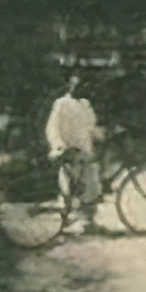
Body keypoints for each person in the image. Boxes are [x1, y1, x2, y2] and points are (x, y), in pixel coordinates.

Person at [45, 75, 106, 234]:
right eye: (76, 85)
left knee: (90, 185)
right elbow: (53, 127)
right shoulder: (61, 104)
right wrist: (60, 146)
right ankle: (63, 222)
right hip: (68, 151)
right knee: (68, 188)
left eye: (82, 86)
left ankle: (89, 222)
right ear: (70, 86)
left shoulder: (85, 105)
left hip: (84, 151)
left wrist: (101, 134)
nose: (79, 89)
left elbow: (91, 127)